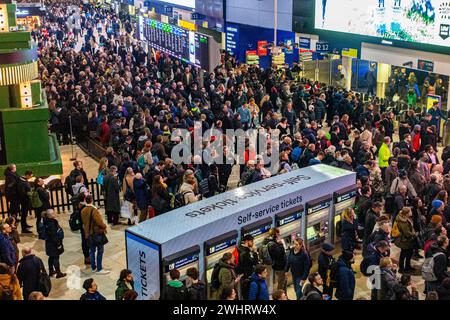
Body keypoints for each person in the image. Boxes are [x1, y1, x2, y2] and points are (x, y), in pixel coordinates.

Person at [81, 195, 109, 274]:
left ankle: (93, 267)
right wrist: (104, 226)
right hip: (96, 234)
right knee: (100, 250)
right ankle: (99, 268)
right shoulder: (94, 210)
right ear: (92, 200)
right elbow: (99, 222)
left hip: (88, 234)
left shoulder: (83, 210)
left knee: (92, 251)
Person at [43, 209, 66, 278]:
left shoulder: (46, 221)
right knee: (56, 257)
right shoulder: (52, 223)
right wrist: (58, 244)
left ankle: (51, 271)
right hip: (53, 243)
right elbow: (54, 235)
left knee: (51, 257)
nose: (55, 213)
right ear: (51, 215)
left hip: (49, 243)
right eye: (53, 213)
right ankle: (58, 273)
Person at [263, 228, 287, 293]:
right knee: (281, 284)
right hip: (279, 267)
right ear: (275, 235)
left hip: (279, 266)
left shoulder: (270, 242)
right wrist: (281, 244)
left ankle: (285, 296)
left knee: (284, 282)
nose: (279, 235)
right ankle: (279, 297)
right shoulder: (272, 244)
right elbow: (279, 255)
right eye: (278, 234)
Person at [393, 207, 416, 273]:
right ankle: (401, 269)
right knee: (403, 255)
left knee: (409, 253)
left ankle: (407, 266)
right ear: (406, 213)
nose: (411, 212)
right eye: (410, 211)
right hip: (404, 240)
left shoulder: (405, 218)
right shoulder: (403, 221)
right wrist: (414, 234)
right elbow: (406, 233)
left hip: (407, 240)